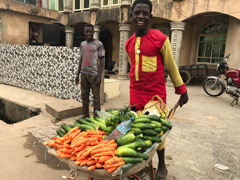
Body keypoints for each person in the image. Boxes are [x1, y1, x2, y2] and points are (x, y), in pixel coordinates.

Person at [125, 0, 189, 179]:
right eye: (137, 12)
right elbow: (133, 68)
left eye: (145, 13)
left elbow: (171, 66)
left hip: (155, 97)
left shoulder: (161, 39)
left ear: (150, 17)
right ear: (131, 16)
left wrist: (182, 90)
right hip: (135, 95)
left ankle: (162, 164)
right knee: (136, 130)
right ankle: (139, 163)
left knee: (156, 130)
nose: (141, 16)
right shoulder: (128, 44)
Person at [75, 23, 105, 118]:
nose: (88, 33)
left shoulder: (98, 44)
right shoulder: (82, 44)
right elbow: (81, 59)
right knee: (84, 97)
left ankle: (97, 117)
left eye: (90, 31)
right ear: (84, 32)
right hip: (84, 74)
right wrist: (77, 74)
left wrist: (99, 76)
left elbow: (102, 60)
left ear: (93, 32)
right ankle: (85, 115)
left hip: (94, 75)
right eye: (86, 31)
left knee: (96, 98)